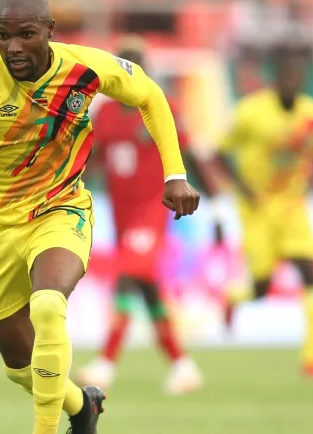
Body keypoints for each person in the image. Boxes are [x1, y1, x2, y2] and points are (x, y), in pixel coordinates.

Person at [0, 0, 200, 434]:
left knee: (48, 304)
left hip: (62, 209)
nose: (13, 47)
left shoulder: (82, 67)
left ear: (49, 32)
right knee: (19, 364)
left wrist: (175, 173)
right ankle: (82, 406)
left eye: (26, 34)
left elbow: (150, 94)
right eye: (2, 35)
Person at [76, 37, 210, 395]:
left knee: (127, 277)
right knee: (148, 290)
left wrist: (213, 195)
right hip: (121, 214)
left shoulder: (160, 108)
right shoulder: (103, 114)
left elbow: (187, 150)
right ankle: (183, 366)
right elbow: (92, 157)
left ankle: (105, 364)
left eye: (135, 69)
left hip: (152, 210)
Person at [212, 47, 313, 379]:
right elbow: (219, 152)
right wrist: (242, 189)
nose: (292, 82)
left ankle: (312, 358)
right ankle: (233, 297)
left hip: (293, 206)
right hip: (256, 209)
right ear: (276, 80)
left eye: (297, 77)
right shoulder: (251, 112)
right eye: (286, 76)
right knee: (260, 288)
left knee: (309, 271)